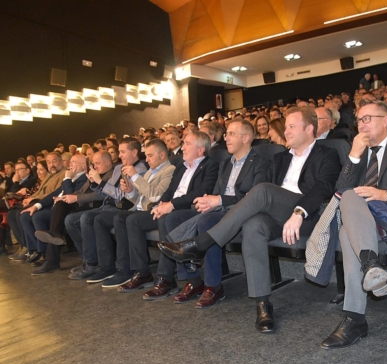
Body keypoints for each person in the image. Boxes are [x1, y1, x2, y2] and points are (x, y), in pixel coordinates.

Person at [158, 106, 341, 333]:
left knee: (263, 189)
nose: (287, 131)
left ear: (310, 128)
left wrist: (298, 212)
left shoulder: (327, 154)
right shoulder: (281, 157)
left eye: (292, 126)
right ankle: (263, 303)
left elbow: (323, 188)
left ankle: (201, 243)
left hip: (306, 216)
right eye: (286, 127)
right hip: (275, 216)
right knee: (254, 226)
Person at [320, 99, 387, 349]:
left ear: (385, 121)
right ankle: (370, 269)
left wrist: (386, 194)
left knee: (346, 230)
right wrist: (353, 156)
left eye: (367, 119)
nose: (361, 125)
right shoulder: (359, 153)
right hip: (362, 223)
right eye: (358, 120)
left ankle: (355, 318)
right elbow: (339, 191)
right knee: (349, 198)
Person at [154, 119, 272, 306]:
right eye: (226, 134)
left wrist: (218, 201)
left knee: (206, 221)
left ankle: (213, 286)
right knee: (173, 217)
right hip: (219, 210)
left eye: (232, 133)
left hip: (241, 213)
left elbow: (255, 199)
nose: (226, 138)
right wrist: (208, 202)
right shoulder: (225, 163)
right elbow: (216, 193)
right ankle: (193, 280)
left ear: (246, 137)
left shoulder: (261, 162)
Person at [116, 131, 218, 295]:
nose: (182, 148)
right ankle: (142, 273)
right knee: (133, 220)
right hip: (171, 208)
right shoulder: (181, 167)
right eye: (183, 144)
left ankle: (167, 278)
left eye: (187, 144)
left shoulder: (210, 165)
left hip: (189, 209)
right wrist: (159, 204)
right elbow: (170, 191)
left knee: (167, 219)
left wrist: (171, 205)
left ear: (201, 150)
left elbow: (202, 191)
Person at [90, 139, 175, 287]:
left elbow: (156, 196)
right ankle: (124, 268)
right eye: (146, 156)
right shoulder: (150, 171)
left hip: (156, 211)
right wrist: (129, 191)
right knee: (119, 217)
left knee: (131, 220)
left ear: (162, 155)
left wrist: (135, 177)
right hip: (139, 210)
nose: (146, 159)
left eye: (150, 156)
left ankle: (141, 272)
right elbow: (139, 198)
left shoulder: (169, 170)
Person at [63, 138, 147, 281]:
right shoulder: (118, 168)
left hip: (122, 208)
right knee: (70, 219)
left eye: (122, 152)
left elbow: (121, 197)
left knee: (90, 218)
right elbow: (105, 193)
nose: (119, 155)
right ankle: (89, 260)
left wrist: (100, 182)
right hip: (107, 205)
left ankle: (96, 264)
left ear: (134, 152)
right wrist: (94, 183)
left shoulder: (141, 170)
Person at [34, 151, 115, 274]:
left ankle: (56, 244)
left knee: (69, 212)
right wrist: (67, 197)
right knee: (67, 217)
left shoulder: (111, 174)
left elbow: (102, 194)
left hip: (95, 206)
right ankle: (86, 260)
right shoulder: (94, 174)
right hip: (83, 205)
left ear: (107, 162)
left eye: (97, 163)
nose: (94, 166)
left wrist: (73, 195)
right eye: (93, 163)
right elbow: (80, 191)